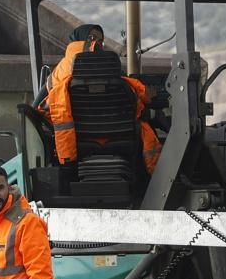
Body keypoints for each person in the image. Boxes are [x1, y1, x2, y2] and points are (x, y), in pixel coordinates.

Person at [44, 23, 161, 173]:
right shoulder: (118, 77)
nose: (97, 43)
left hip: (77, 141)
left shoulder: (57, 76)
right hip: (120, 136)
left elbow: (47, 107)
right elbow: (142, 98)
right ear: (80, 39)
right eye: (92, 38)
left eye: (100, 40)